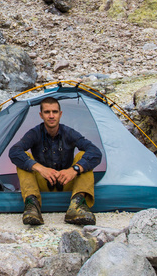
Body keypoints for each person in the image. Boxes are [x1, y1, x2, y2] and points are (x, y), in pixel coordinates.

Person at [7, 96, 101, 226]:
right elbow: (14, 151)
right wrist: (40, 168)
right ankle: (32, 207)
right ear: (41, 115)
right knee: (24, 158)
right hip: (42, 185)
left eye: (55, 112)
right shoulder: (34, 133)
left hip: (67, 182)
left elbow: (95, 152)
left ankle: (77, 206)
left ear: (60, 114)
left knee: (83, 156)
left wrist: (73, 170)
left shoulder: (69, 132)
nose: (51, 116)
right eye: (47, 112)